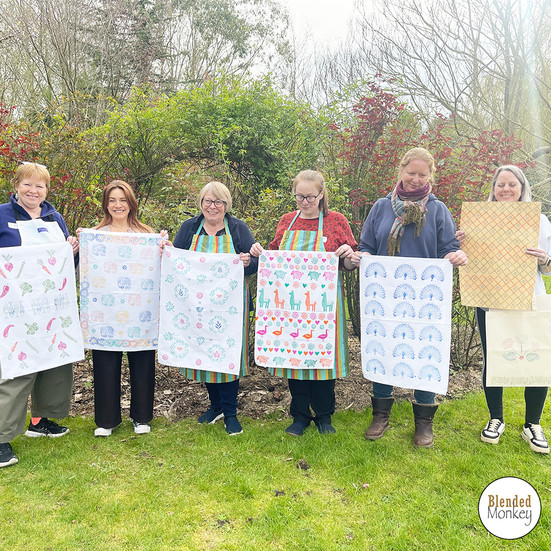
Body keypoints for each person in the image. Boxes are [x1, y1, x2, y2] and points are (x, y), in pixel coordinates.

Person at [351, 147, 467, 447]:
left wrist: (455, 255)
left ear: (431, 177)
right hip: (385, 295)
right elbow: (366, 244)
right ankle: (381, 415)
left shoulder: (438, 210)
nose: (416, 179)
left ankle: (424, 423)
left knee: (425, 350)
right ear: (401, 171)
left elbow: (448, 246)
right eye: (411, 173)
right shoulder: (381, 207)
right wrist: (359, 256)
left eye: (422, 174)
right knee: (383, 346)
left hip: (424, 298)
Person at [250, 170, 357, 436]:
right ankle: (299, 415)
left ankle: (323, 416)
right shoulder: (287, 221)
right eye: (299, 196)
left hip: (324, 305)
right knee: (293, 357)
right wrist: (259, 253)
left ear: (321, 194)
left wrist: (348, 256)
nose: (304, 202)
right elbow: (274, 256)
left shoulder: (336, 221)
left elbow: (350, 264)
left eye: (310, 196)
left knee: (323, 359)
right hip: (290, 305)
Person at [459, 165, 551, 454]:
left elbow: (548, 267)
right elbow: (465, 257)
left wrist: (544, 259)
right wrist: (462, 240)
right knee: (494, 358)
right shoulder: (479, 219)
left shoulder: (539, 220)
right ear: (493, 188)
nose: (506, 189)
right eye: (501, 184)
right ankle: (495, 418)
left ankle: (532, 424)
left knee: (537, 358)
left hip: (529, 296)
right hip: (490, 297)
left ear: (523, 188)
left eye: (513, 184)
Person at [0, 162, 79, 468]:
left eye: (40, 186)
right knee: (16, 368)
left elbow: (62, 266)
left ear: (47, 190)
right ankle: (2, 437)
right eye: (28, 185)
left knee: (53, 361)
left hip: (52, 306)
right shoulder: (3, 216)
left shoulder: (54, 217)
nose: (33, 191)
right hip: (14, 308)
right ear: (16, 185)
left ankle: (40, 421)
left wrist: (70, 252)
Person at [172, 181, 258, 436]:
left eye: (218, 202)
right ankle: (216, 406)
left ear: (226, 205)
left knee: (228, 355)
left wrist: (247, 262)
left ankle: (231, 413)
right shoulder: (189, 228)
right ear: (201, 204)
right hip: (197, 306)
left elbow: (255, 263)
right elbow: (176, 262)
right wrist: (165, 251)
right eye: (208, 201)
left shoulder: (238, 229)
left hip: (231, 306)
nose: (213, 206)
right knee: (207, 355)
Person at [85, 180, 164, 437]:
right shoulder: (96, 234)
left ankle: (141, 417)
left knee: (142, 360)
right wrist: (80, 245)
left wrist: (165, 248)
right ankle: (106, 420)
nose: (118, 205)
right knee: (106, 359)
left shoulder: (145, 235)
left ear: (131, 203)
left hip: (140, 311)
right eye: (112, 200)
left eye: (122, 200)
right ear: (106, 204)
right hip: (105, 311)